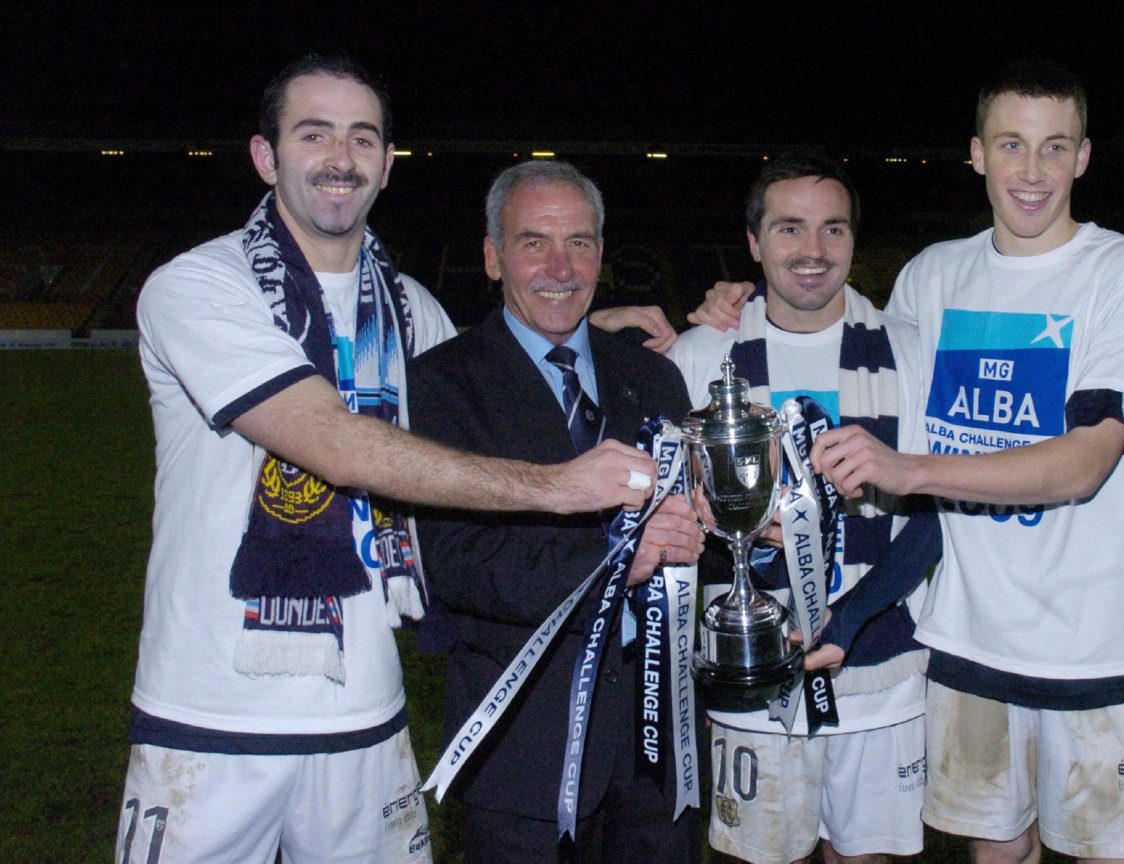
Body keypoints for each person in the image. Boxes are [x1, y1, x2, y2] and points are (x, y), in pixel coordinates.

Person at [121, 57, 662, 864]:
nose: (341, 156)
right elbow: (336, 442)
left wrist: (601, 323)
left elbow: (499, 367)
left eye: (361, 137)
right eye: (314, 134)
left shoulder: (412, 308)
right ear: (267, 157)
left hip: (368, 712)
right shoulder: (199, 286)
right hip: (211, 716)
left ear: (384, 164)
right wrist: (558, 488)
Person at [695, 62, 1124, 864]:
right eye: (1012, 145)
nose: (1032, 171)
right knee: (996, 852)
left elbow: (1084, 464)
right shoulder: (932, 278)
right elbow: (823, 323)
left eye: (1054, 147)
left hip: (1092, 640)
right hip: (960, 644)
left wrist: (910, 471)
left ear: (1084, 157)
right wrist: (735, 301)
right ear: (977, 154)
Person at [408, 160, 703, 864]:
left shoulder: (653, 376)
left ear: (603, 252)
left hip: (657, 749)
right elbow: (452, 564)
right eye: (534, 241)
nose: (561, 266)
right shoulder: (439, 385)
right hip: (522, 757)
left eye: (581, 242)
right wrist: (614, 564)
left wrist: (729, 530)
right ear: (492, 255)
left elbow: (689, 540)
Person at [667, 152, 934, 864]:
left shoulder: (910, 353)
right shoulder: (699, 359)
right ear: (753, 244)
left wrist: (854, 614)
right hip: (751, 659)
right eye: (789, 229)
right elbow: (668, 513)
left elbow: (939, 515)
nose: (812, 252)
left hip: (882, 665)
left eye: (833, 230)